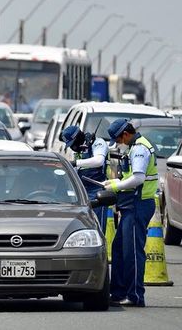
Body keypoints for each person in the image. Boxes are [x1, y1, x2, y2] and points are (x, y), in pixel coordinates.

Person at [102, 118, 157, 307]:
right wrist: (112, 183)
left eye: (118, 140)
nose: (118, 144)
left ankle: (134, 295)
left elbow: (138, 178)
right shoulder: (133, 148)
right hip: (129, 205)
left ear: (126, 134)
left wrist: (115, 186)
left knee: (132, 252)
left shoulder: (140, 148)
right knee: (119, 249)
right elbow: (128, 176)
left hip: (138, 204)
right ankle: (118, 292)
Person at [60, 125, 109, 232]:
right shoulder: (78, 151)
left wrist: (75, 163)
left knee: (97, 227)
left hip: (97, 192)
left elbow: (99, 160)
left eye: (72, 144)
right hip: (82, 193)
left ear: (77, 138)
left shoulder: (97, 142)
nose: (72, 147)